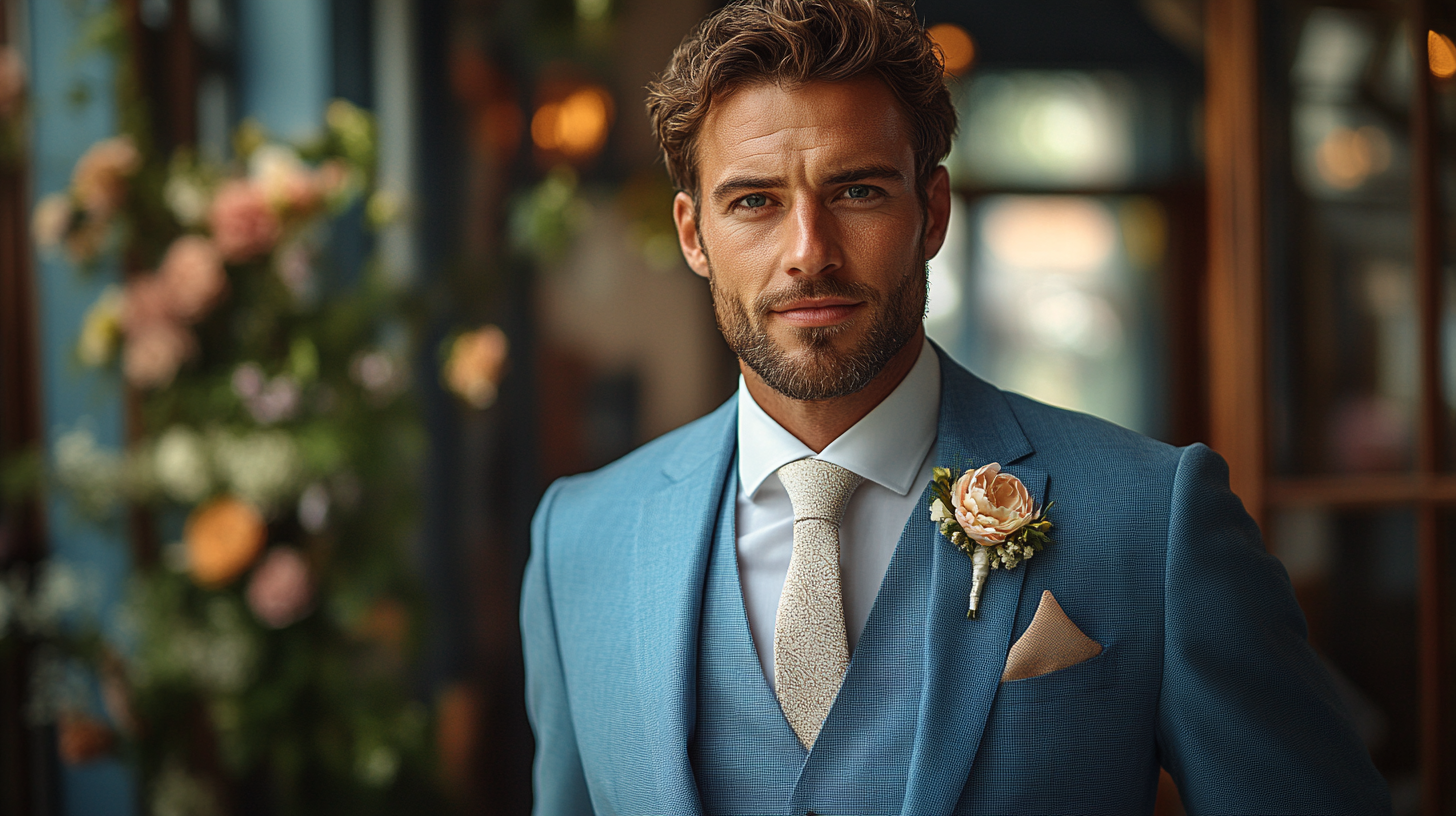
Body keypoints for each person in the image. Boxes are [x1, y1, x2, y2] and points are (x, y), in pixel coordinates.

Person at [520, 1, 1391, 813]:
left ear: (931, 212)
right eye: (755, 202)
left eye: (857, 190)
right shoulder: (580, 542)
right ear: (692, 235)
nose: (808, 253)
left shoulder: (1155, 520)